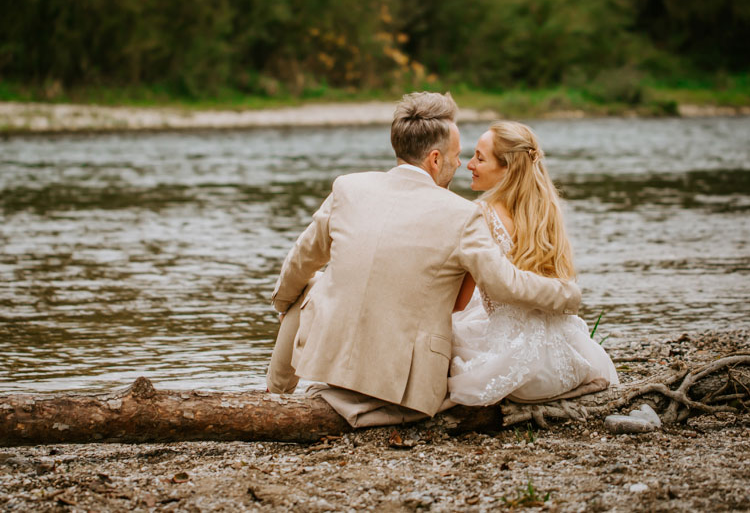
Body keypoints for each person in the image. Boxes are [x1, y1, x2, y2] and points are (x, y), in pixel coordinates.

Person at [265, 92, 582, 427]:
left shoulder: (348, 187)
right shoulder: (462, 214)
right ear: (434, 159)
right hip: (407, 387)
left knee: (302, 286)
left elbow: (300, 260)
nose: (460, 164)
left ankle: (276, 397)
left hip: (331, 363)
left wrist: (284, 306)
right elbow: (504, 285)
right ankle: (284, 400)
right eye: (456, 156)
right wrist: (566, 294)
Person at [447, 122, 618, 406]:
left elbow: (460, 301)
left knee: (454, 330)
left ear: (507, 168)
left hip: (516, 368)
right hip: (566, 362)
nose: (469, 165)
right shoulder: (546, 210)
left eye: (479, 157)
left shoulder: (481, 215)